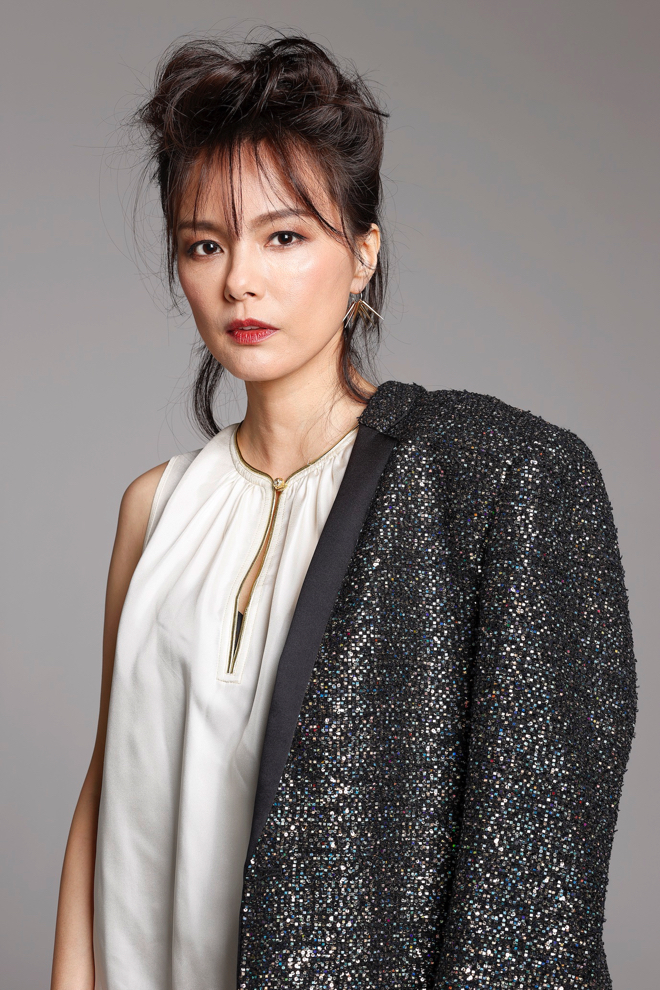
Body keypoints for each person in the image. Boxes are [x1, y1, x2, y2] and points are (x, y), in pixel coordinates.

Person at [51, 34, 636, 990]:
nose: (240, 279)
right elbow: (106, 786)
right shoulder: (154, 508)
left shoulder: (489, 482)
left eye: (284, 237)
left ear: (362, 255)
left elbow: (532, 891)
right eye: (205, 244)